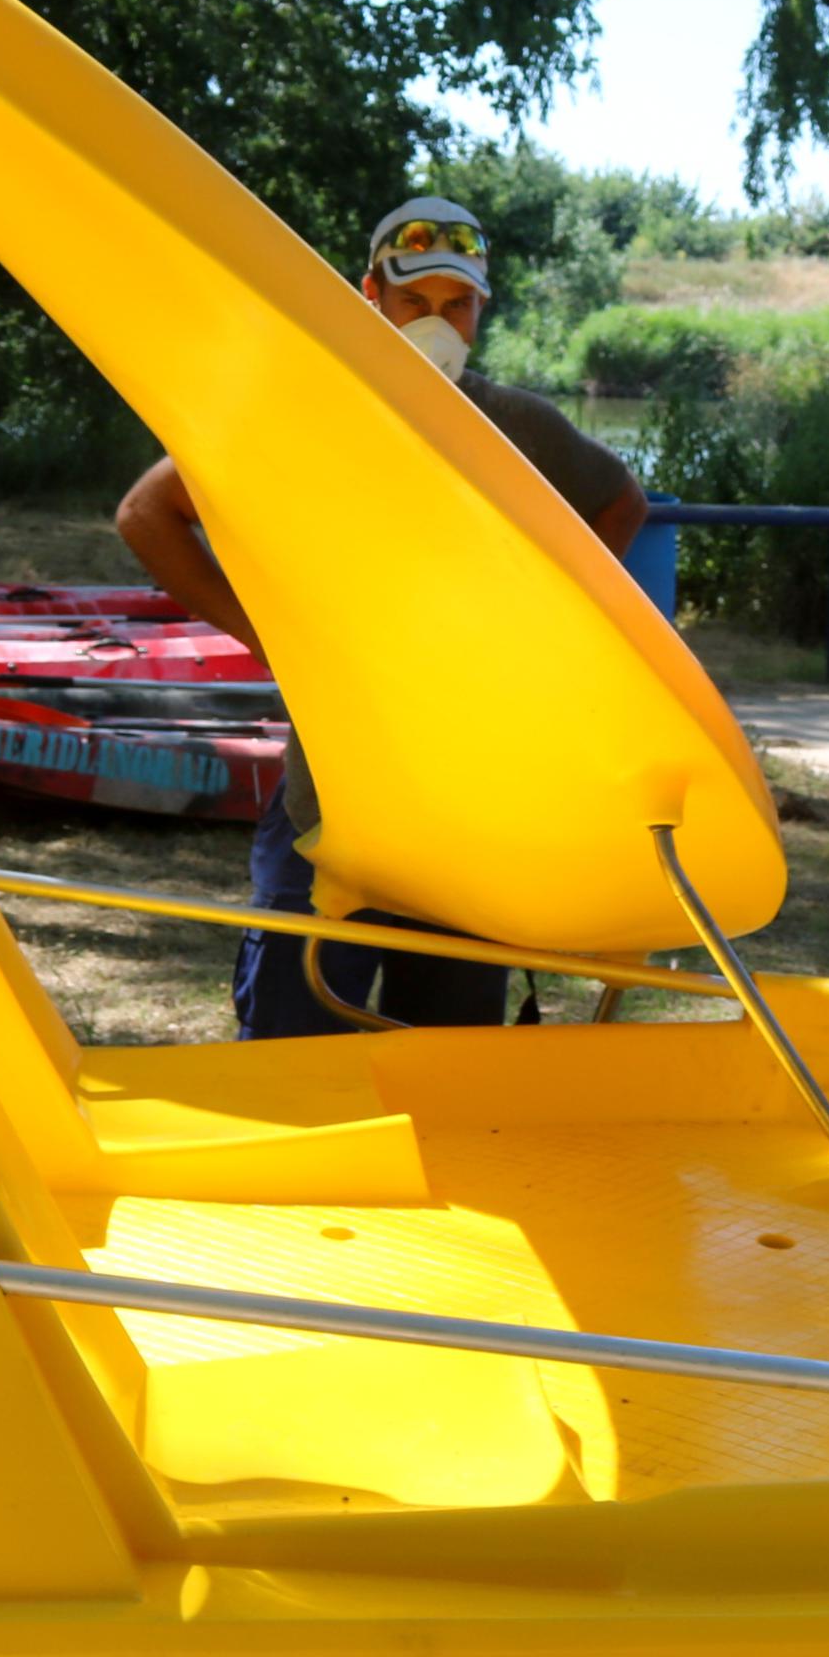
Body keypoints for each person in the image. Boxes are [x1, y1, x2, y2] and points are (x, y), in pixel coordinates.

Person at [114, 192, 645, 1035]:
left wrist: (550, 617)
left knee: (452, 1053)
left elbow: (619, 503)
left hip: (467, 805)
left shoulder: (517, 427)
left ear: (479, 310)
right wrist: (269, 633)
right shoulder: (297, 407)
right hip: (329, 798)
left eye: (456, 304)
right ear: (370, 295)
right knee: (292, 1030)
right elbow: (148, 512)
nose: (437, 322)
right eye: (414, 302)